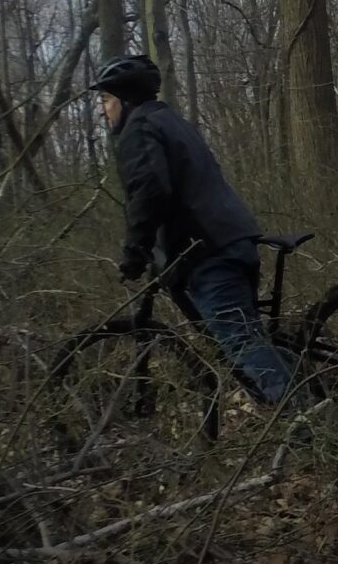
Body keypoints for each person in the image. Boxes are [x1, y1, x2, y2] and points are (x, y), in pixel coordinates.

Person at [93, 55, 292, 405]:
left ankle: (308, 421)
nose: (103, 110)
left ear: (125, 99)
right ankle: (289, 409)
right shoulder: (171, 120)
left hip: (207, 253)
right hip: (232, 238)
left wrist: (134, 251)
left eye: (106, 100)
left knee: (241, 342)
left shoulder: (138, 130)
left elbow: (150, 191)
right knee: (246, 338)